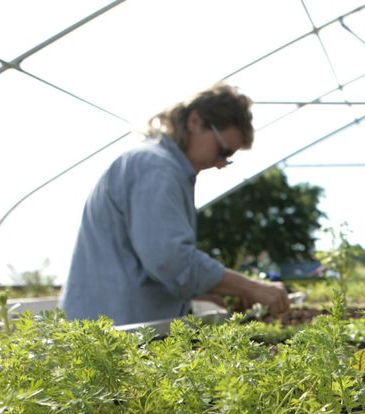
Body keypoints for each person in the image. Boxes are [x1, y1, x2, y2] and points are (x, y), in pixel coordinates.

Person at [60, 83, 290, 323]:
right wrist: (252, 288)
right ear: (195, 121)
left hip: (118, 325)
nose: (222, 164)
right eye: (223, 151)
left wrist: (206, 291)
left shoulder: (158, 166)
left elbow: (147, 258)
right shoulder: (156, 168)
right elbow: (171, 261)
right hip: (111, 331)